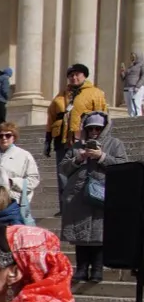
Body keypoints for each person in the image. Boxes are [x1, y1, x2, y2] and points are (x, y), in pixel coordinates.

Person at [60, 111, 128, 283]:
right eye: (91, 129)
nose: (94, 132)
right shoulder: (77, 146)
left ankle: (97, 270)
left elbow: (123, 165)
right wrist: (78, 158)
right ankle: (81, 269)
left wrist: (101, 156)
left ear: (104, 128)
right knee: (80, 235)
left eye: (98, 129)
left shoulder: (115, 143)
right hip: (79, 197)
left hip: (103, 195)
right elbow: (63, 168)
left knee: (99, 234)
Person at [47, 62, 108, 206]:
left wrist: (99, 137)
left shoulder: (95, 93)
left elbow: (102, 117)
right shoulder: (61, 95)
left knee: (81, 171)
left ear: (84, 76)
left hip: (83, 139)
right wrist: (47, 139)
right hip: (61, 140)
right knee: (62, 172)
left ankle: (82, 201)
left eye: (76, 74)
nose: (73, 78)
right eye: (70, 75)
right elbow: (51, 117)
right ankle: (64, 205)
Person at [0, 123, 41, 224]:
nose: (4, 138)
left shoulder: (24, 156)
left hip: (12, 206)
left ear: (14, 137)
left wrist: (14, 182)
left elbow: (34, 179)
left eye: (8, 135)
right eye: (0, 136)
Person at [123, 52, 144, 118]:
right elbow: (124, 78)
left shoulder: (141, 65)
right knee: (129, 105)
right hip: (127, 88)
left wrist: (138, 86)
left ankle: (137, 120)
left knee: (135, 104)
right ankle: (131, 118)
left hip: (136, 88)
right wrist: (122, 72)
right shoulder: (131, 66)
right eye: (131, 56)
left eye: (133, 56)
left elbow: (143, 76)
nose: (132, 58)